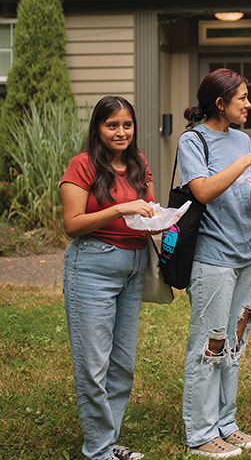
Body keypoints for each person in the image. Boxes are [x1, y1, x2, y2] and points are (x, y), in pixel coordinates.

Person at [179, 68, 251, 459]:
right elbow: (202, 191)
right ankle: (201, 433)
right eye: (242, 99)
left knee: (234, 342)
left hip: (245, 254)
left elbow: (239, 197)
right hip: (212, 257)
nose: (249, 105)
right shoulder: (194, 140)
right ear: (220, 103)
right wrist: (247, 161)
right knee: (210, 343)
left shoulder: (241, 139)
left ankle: (226, 423)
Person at [61, 95, 157, 460]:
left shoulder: (139, 164)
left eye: (127, 125)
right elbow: (72, 225)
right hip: (92, 266)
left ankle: (106, 440)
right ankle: (98, 450)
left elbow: (146, 210)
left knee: (122, 364)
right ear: (98, 128)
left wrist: (161, 219)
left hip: (133, 266)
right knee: (94, 362)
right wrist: (121, 207)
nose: (121, 132)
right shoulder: (82, 165)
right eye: (112, 125)